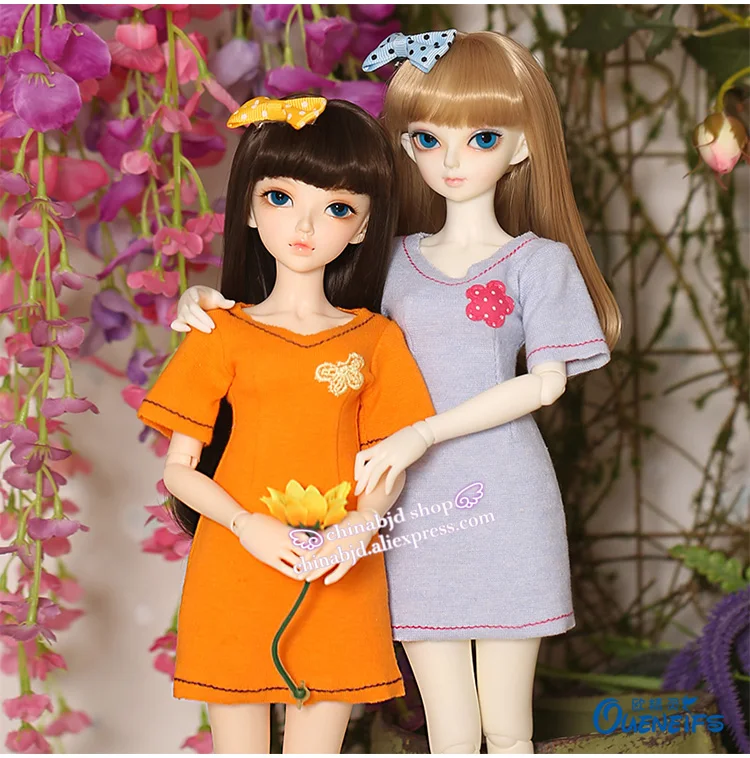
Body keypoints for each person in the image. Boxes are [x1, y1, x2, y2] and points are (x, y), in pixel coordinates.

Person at [173, 31, 621, 755]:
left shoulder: (537, 262)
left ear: (524, 146)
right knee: (447, 723)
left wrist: (423, 432)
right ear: (406, 144)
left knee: (509, 723)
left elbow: (545, 384)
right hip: (404, 511)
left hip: (503, 496)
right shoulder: (391, 260)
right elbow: (305, 313)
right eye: (427, 138)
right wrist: (207, 300)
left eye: (481, 138)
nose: (452, 161)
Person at [137, 97, 435, 754]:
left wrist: (362, 524)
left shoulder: (376, 340)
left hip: (338, 565)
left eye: (337, 208)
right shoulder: (220, 333)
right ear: (248, 208)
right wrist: (246, 524)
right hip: (235, 561)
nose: (304, 225)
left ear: (363, 227)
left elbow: (389, 459)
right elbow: (179, 470)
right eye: (280, 198)